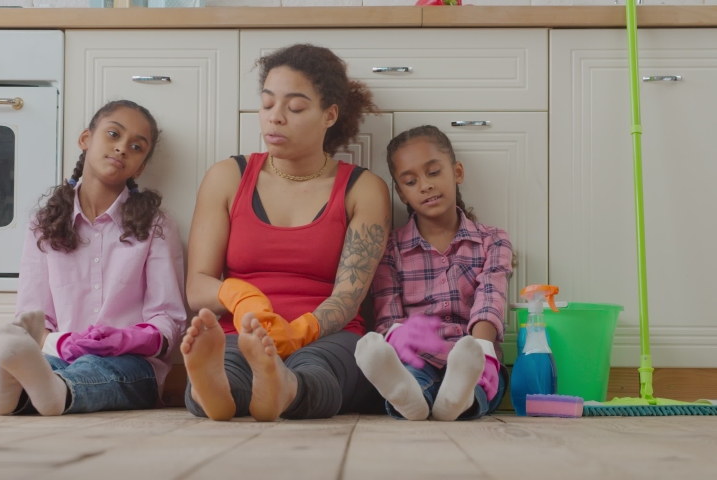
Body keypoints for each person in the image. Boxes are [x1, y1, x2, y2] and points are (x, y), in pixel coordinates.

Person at [181, 44, 391, 421]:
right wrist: (243, 297)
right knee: (230, 361)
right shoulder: (228, 177)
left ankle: (284, 387)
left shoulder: (363, 189)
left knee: (318, 370)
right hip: (243, 331)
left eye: (294, 108)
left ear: (329, 115)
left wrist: (297, 333)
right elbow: (198, 286)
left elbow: (348, 297)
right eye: (266, 105)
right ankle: (218, 393)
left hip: (329, 335)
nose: (274, 118)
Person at [0, 100, 187, 416]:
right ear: (85, 140)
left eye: (136, 147)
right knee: (49, 365)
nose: (122, 148)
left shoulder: (157, 226)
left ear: (140, 167)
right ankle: (26, 392)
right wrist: (65, 344)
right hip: (61, 355)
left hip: (134, 364)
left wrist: (125, 339)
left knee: (101, 369)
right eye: (113, 134)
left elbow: (169, 320)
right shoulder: (43, 224)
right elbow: (33, 316)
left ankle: (36, 394)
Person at [355, 125, 513, 421]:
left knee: (480, 382)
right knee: (412, 378)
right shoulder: (390, 248)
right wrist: (398, 339)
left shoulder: (493, 240)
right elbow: (388, 316)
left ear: (457, 172)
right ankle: (412, 399)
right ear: (401, 193)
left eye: (433, 173)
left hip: (474, 357)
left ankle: (460, 398)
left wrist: (480, 349)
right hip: (417, 357)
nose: (425, 186)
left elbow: (491, 300)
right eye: (411, 181)